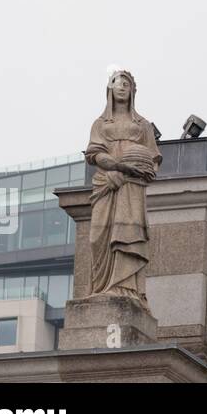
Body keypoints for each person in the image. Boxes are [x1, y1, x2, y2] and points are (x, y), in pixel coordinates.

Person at [84, 70, 161, 305]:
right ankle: (101, 287)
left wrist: (133, 171)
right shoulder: (100, 124)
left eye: (126, 83)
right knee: (98, 235)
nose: (121, 87)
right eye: (116, 83)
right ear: (109, 89)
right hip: (105, 184)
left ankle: (126, 288)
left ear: (132, 90)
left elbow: (152, 160)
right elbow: (95, 154)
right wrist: (118, 167)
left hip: (132, 187)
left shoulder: (143, 125)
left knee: (127, 233)